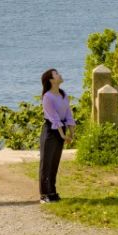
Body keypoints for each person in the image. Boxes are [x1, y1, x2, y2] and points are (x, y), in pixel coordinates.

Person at [39, 67, 75, 203]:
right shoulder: (47, 97)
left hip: (61, 130)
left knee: (54, 163)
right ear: (51, 80)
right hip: (50, 131)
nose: (59, 75)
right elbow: (54, 117)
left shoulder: (63, 94)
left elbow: (68, 114)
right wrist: (62, 135)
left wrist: (71, 133)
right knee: (46, 164)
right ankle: (44, 194)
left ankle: (52, 192)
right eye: (56, 74)